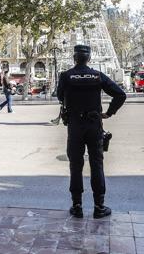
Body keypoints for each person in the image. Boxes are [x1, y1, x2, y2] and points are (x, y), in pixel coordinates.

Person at [57, 45, 126, 219]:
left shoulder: (66, 76)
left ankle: (77, 205)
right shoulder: (97, 76)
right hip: (94, 124)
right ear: (89, 58)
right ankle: (99, 206)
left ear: (74, 58)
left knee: (75, 166)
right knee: (97, 165)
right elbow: (120, 94)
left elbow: (59, 96)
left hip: (75, 125)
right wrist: (109, 113)